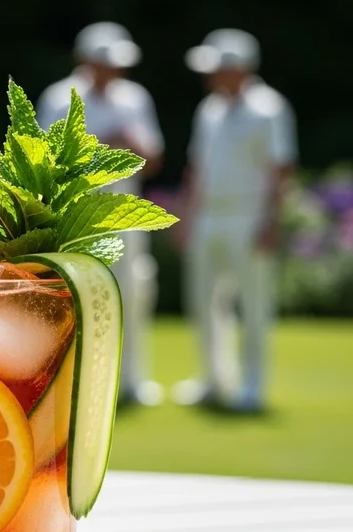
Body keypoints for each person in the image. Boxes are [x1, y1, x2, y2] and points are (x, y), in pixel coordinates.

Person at [37, 22, 165, 406]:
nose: (113, 72)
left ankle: (132, 380)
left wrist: (133, 149)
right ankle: (74, 379)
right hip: (75, 213)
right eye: (105, 63)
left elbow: (154, 159)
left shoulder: (134, 97)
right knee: (72, 296)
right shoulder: (59, 97)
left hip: (123, 211)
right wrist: (106, 146)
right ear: (85, 60)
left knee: (132, 291)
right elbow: (45, 161)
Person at [176, 29, 297, 411]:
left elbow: (281, 169)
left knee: (253, 304)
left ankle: (253, 385)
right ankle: (214, 380)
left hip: (249, 216)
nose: (209, 76)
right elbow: (196, 167)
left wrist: (272, 222)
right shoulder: (208, 108)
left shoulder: (269, 108)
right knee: (204, 302)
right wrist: (186, 217)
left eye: (216, 69)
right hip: (210, 216)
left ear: (238, 68)